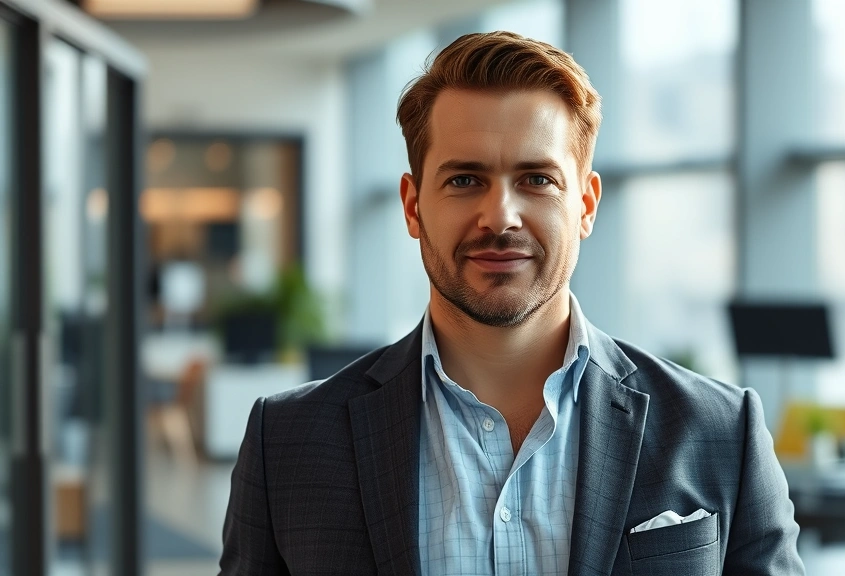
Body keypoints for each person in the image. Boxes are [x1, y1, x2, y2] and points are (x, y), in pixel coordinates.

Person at [220, 31, 804, 576]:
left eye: (537, 179)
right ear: (412, 205)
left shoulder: (722, 432)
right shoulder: (288, 443)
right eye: (465, 180)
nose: (500, 217)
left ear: (586, 204)